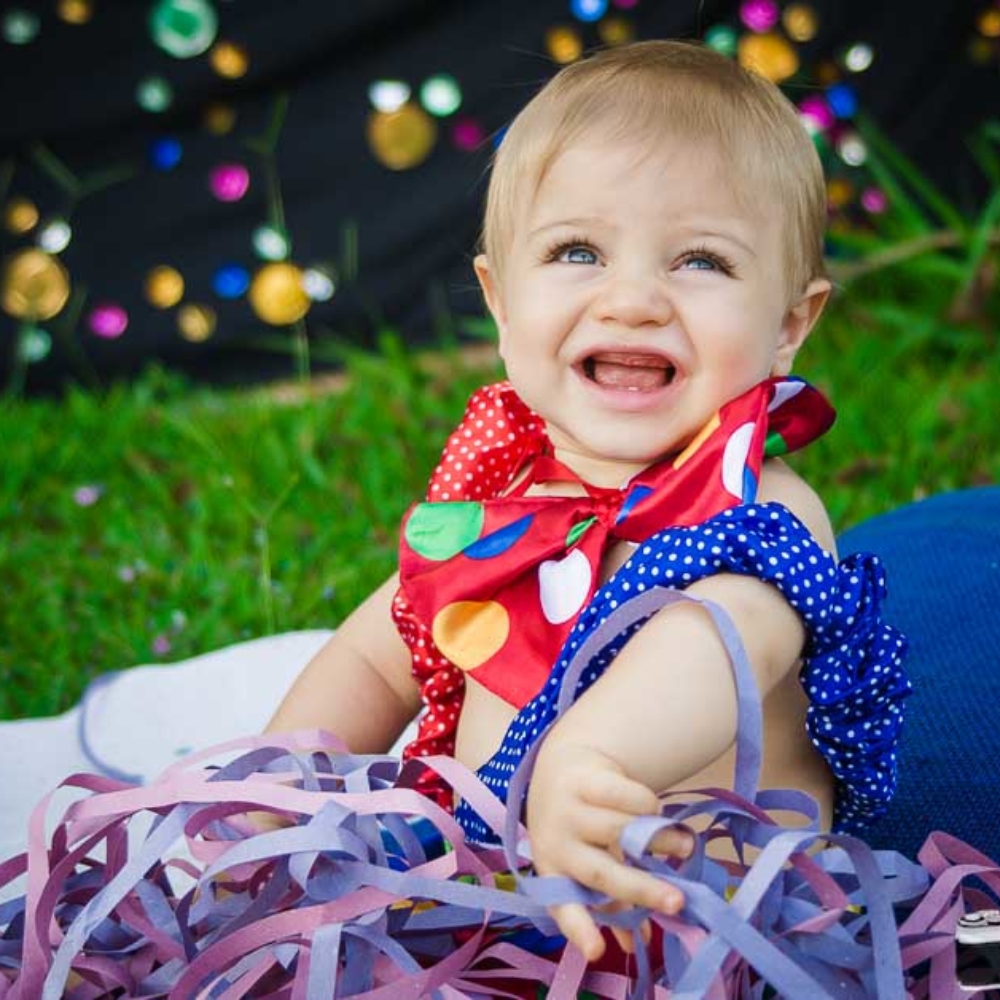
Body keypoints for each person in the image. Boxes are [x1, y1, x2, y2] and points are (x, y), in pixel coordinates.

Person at [266, 38, 909, 966]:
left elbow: (725, 635)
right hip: (490, 914)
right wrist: (275, 787)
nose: (634, 299)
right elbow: (379, 655)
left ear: (788, 327)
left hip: (700, 927)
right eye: (578, 251)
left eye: (701, 261)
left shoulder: (761, 506)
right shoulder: (506, 501)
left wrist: (590, 761)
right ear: (498, 301)